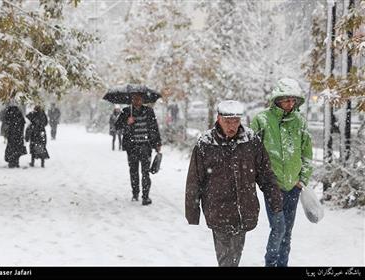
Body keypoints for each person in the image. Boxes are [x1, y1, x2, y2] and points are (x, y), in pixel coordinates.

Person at [185, 100, 283, 267]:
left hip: (244, 210)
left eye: (236, 121)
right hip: (218, 210)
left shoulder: (251, 141)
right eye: (227, 121)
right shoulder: (206, 143)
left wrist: (275, 200)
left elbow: (265, 174)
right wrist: (192, 212)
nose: (232, 126)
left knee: (236, 254)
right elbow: (195, 180)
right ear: (218, 119)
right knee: (225, 259)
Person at [250, 78, 313, 267]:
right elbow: (252, 153)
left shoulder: (300, 121)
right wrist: (262, 180)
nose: (290, 104)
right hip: (272, 187)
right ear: (277, 99)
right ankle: (271, 263)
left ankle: (282, 264)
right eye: (286, 100)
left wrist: (302, 180)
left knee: (287, 231)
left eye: (293, 100)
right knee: (278, 227)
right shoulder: (262, 120)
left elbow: (307, 153)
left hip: (293, 187)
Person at [115, 92, 162, 205]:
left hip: (146, 146)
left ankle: (145, 196)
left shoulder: (149, 111)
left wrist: (157, 143)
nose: (137, 101)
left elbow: (154, 127)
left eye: (139, 99)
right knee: (134, 171)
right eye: (135, 99)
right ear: (131, 99)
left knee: (145, 172)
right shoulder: (126, 111)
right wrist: (127, 122)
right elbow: (117, 126)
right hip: (132, 147)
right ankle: (135, 193)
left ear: (142, 99)